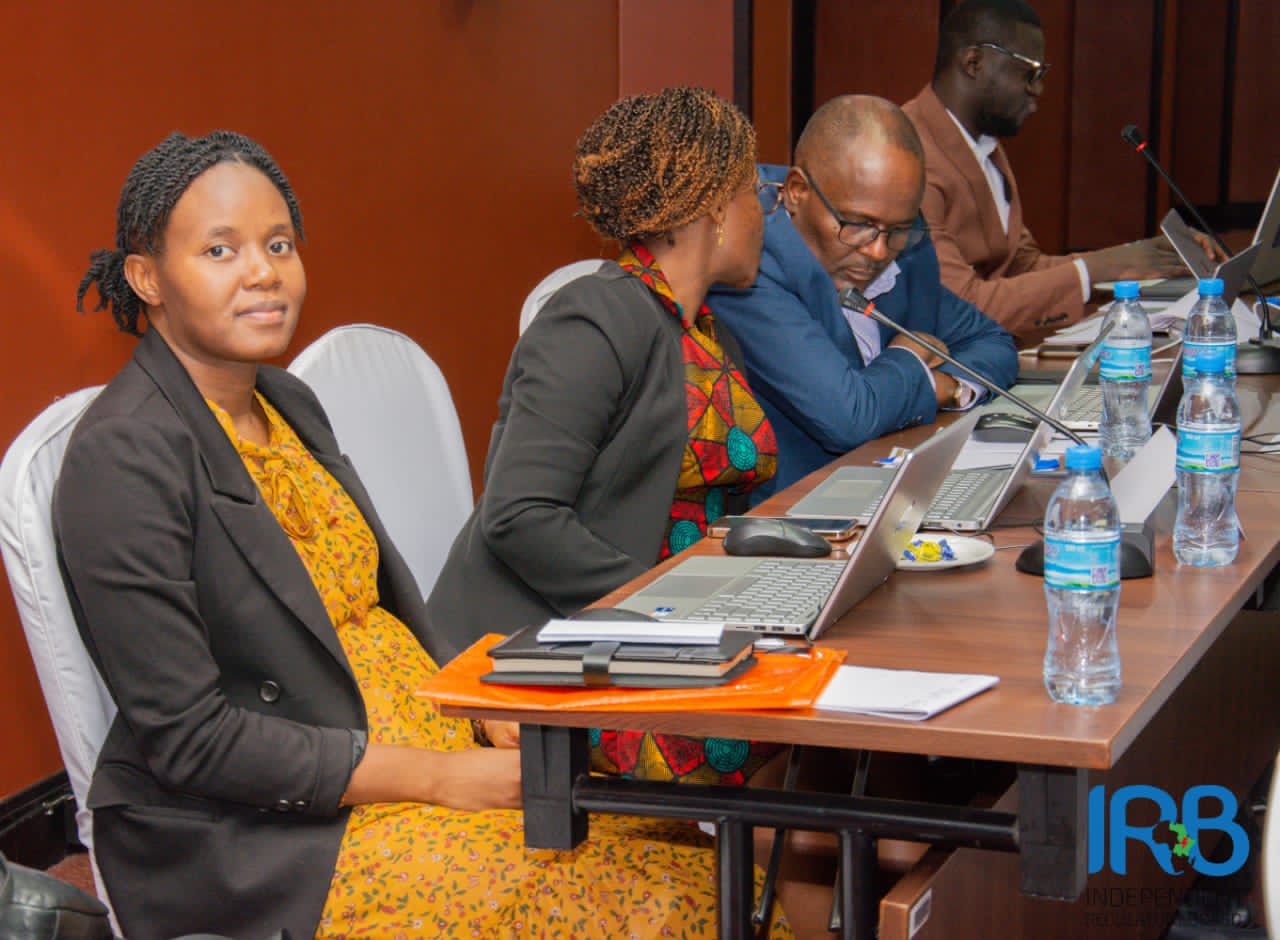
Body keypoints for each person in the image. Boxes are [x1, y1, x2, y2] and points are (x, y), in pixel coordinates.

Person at [56, 129, 792, 939]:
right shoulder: (122, 455)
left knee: (694, 855)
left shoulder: (284, 402)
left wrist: (476, 704)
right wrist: (440, 777)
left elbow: (383, 611)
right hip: (280, 830)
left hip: (420, 739)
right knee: (668, 907)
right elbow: (194, 742)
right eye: (220, 250)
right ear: (147, 277)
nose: (263, 271)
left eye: (279, 244)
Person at [428, 87, 790, 790]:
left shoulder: (707, 336)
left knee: (817, 699)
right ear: (716, 207)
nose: (764, 216)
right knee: (773, 734)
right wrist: (671, 605)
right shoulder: (592, 318)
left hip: (661, 634)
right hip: (552, 651)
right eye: (757, 194)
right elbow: (519, 516)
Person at [709, 94, 1019, 499]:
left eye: (897, 229)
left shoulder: (904, 244)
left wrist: (952, 387)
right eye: (857, 224)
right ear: (797, 191)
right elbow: (848, 417)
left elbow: (992, 341)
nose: (878, 251)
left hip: (896, 488)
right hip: (795, 510)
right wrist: (911, 361)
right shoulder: (749, 260)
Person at [902, 0, 1224, 341]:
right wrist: (1096, 270)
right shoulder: (909, 158)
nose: (1037, 90)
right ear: (973, 62)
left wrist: (1134, 258)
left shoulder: (985, 146)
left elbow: (1022, 266)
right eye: (1030, 73)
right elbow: (958, 307)